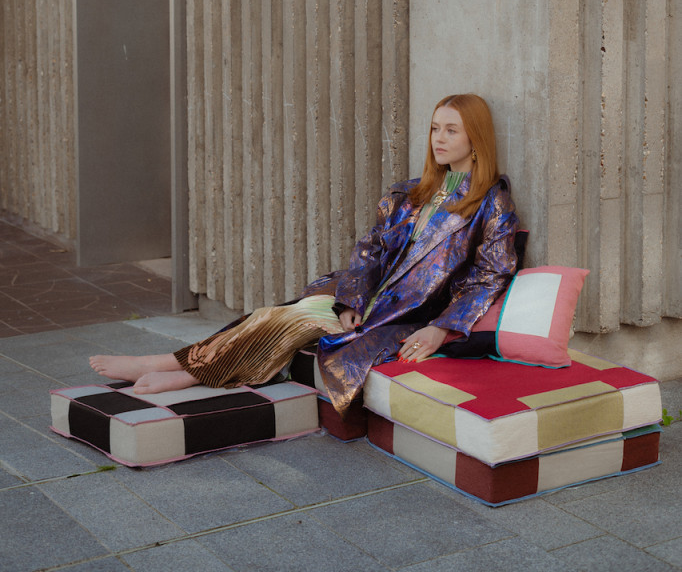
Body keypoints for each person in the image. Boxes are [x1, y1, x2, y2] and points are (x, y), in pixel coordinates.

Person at [90, 93, 520, 416]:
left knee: (292, 322)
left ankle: (180, 370)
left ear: (475, 138)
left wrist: (441, 329)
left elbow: (491, 275)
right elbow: (371, 249)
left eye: (451, 130)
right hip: (366, 299)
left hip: (406, 313)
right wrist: (350, 299)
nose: (439, 138)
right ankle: (179, 367)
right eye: (434, 128)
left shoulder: (491, 202)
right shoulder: (411, 192)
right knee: (275, 315)